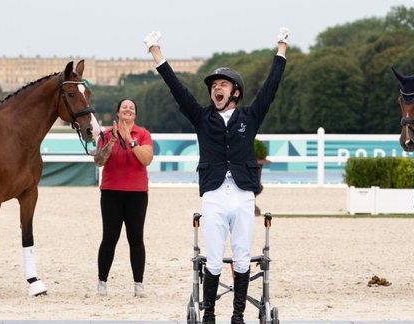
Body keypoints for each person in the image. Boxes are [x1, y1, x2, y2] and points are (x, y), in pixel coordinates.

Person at [143, 28, 289, 324]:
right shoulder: (201, 117)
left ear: (235, 92)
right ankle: (209, 314)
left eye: (223, 84)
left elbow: (271, 87)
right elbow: (177, 88)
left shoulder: (250, 116)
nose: (216, 89)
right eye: (214, 86)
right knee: (212, 259)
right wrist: (156, 53)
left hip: (243, 193)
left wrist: (282, 48)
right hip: (213, 194)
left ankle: (238, 316)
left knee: (242, 257)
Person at [93, 99, 154, 297]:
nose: (128, 110)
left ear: (135, 114)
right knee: (109, 237)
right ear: (118, 113)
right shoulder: (106, 135)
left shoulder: (143, 134)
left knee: (136, 238)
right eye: (124, 108)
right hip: (111, 192)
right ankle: (102, 282)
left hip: (137, 193)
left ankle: (138, 284)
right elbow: (99, 161)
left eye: (131, 108)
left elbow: (146, 159)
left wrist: (130, 139)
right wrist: (113, 140)